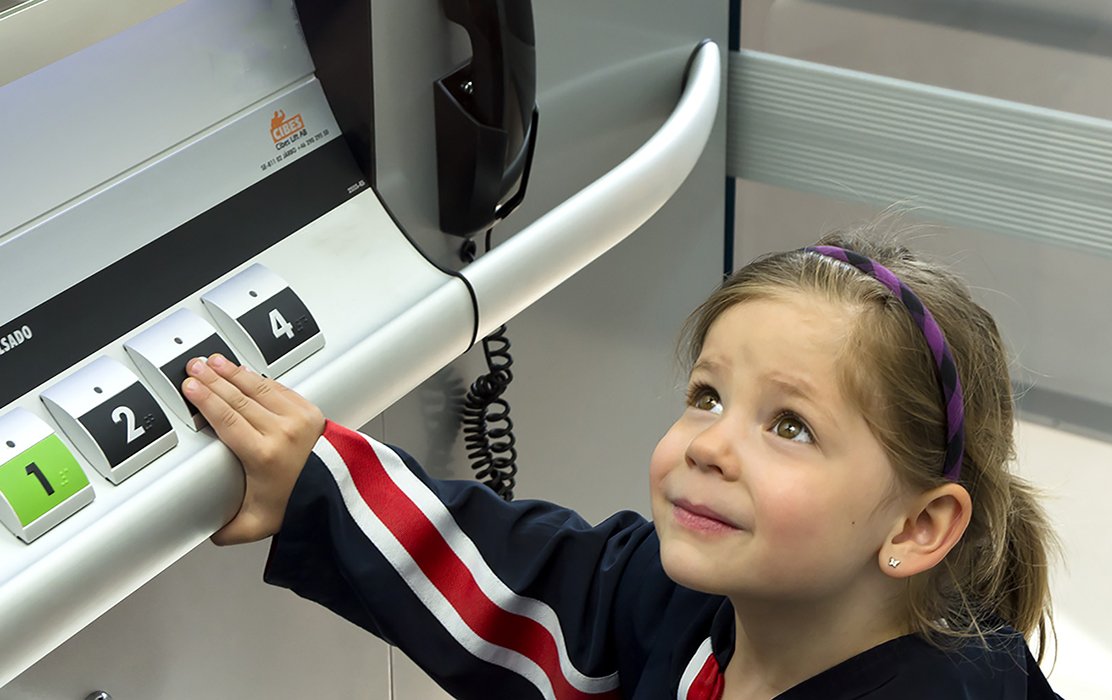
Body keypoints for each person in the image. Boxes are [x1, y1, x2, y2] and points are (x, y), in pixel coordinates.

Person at [181, 231, 1064, 699]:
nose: (709, 445)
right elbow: (527, 580)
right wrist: (315, 483)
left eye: (790, 426)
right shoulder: (697, 604)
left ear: (919, 525)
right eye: (708, 396)